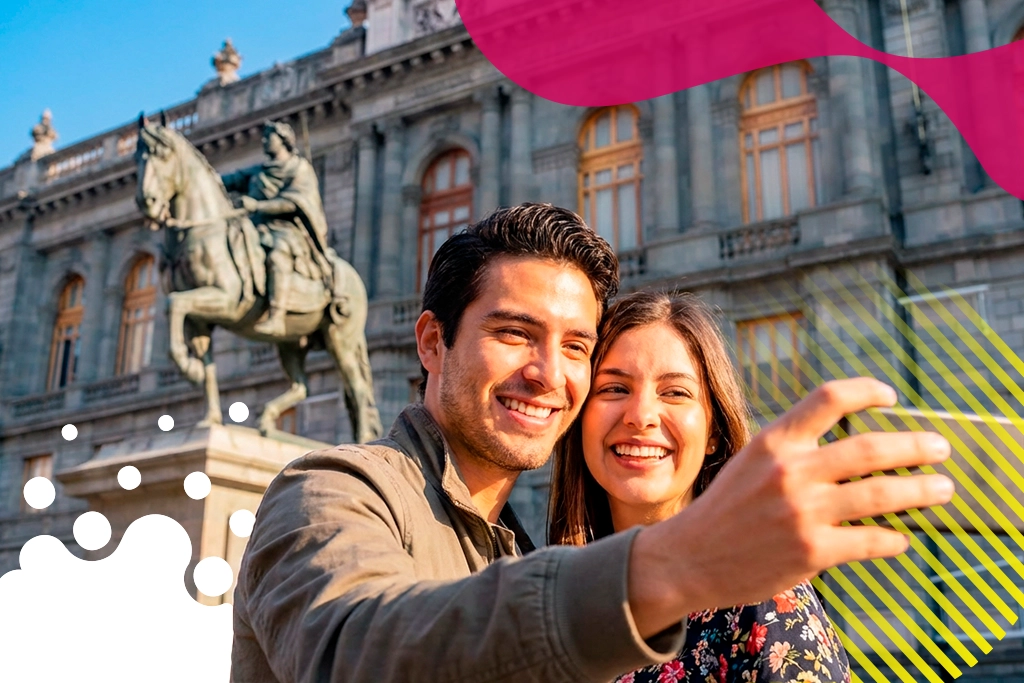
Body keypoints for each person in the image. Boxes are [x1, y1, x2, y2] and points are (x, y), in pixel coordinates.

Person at [230, 203, 954, 683]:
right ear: (432, 341)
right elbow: (357, 651)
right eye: (514, 333)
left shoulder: (523, 549)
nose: (549, 374)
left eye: (576, 345)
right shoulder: (332, 491)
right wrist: (676, 563)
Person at [550, 291, 851, 682]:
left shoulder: (760, 592)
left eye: (675, 392)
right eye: (614, 388)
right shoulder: (553, 600)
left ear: (713, 432)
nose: (641, 416)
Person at [221, 120, 334, 336]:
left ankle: (276, 315)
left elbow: (296, 202)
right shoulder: (260, 170)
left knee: (277, 254)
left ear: (283, 141)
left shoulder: (299, 168)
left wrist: (258, 205)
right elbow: (230, 180)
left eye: (268, 137)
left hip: (287, 230)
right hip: (255, 228)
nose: (263, 141)